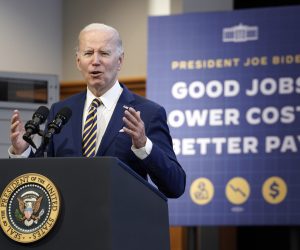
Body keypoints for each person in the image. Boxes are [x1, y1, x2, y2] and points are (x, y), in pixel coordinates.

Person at [9, 23, 186, 198]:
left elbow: (175, 186)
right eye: (88, 53)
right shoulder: (61, 111)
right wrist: (22, 151)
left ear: (120, 60)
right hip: (69, 222)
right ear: (78, 61)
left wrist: (143, 145)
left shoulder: (148, 113)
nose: (95, 61)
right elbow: (42, 176)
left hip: (121, 223)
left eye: (104, 53)